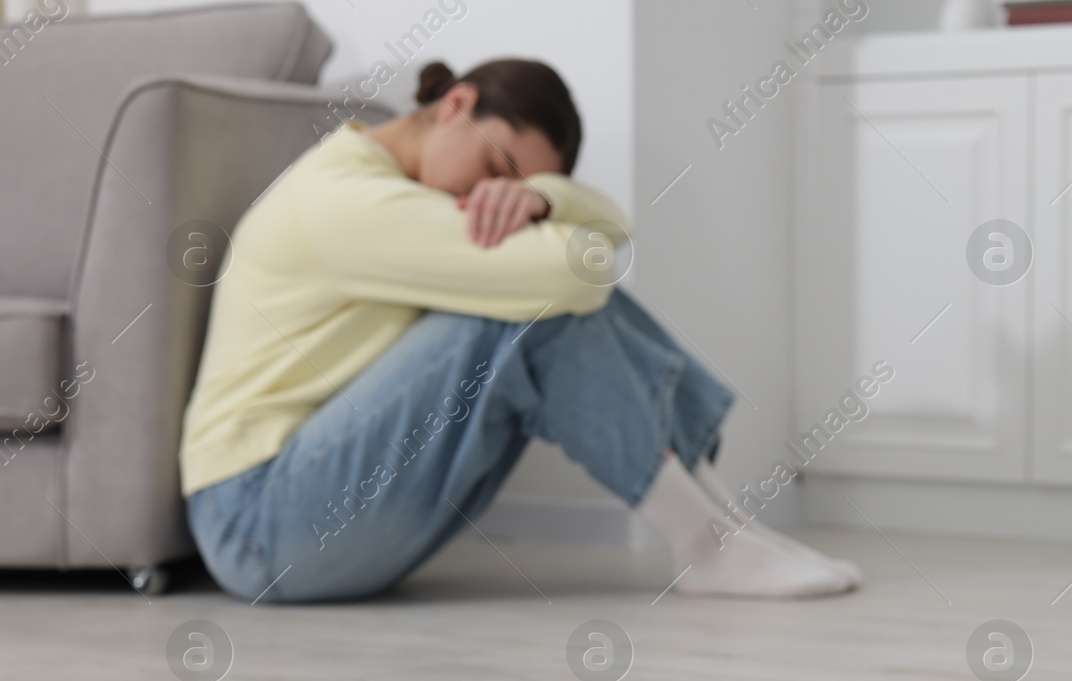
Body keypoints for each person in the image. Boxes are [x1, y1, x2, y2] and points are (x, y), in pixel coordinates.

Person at [180, 58, 858, 603]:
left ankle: (722, 525)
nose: (492, 195)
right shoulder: (344, 199)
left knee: (539, 294)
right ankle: (709, 541)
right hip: (258, 524)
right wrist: (553, 216)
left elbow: (605, 239)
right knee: (530, 313)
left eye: (513, 187)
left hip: (311, 509)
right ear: (456, 105)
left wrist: (545, 198)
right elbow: (580, 270)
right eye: (499, 168)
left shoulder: (395, 183)